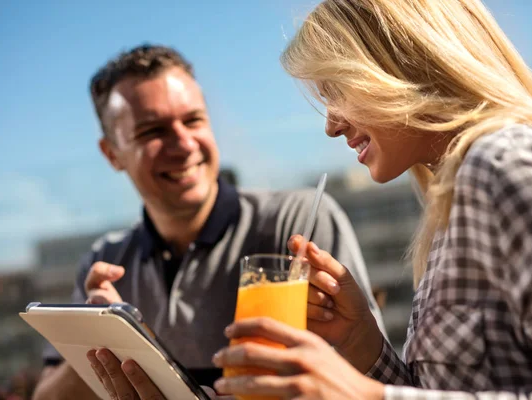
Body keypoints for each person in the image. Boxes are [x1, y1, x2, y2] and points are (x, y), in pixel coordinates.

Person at [208, 0, 532, 399]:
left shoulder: (506, 166)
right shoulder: (452, 203)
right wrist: (361, 341)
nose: (331, 126)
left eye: (336, 90)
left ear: (399, 64)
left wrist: (369, 395)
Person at [31, 44, 383, 400]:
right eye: (153, 131)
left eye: (193, 120)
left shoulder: (295, 221)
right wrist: (100, 339)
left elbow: (359, 382)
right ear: (112, 154)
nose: (184, 144)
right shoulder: (105, 261)